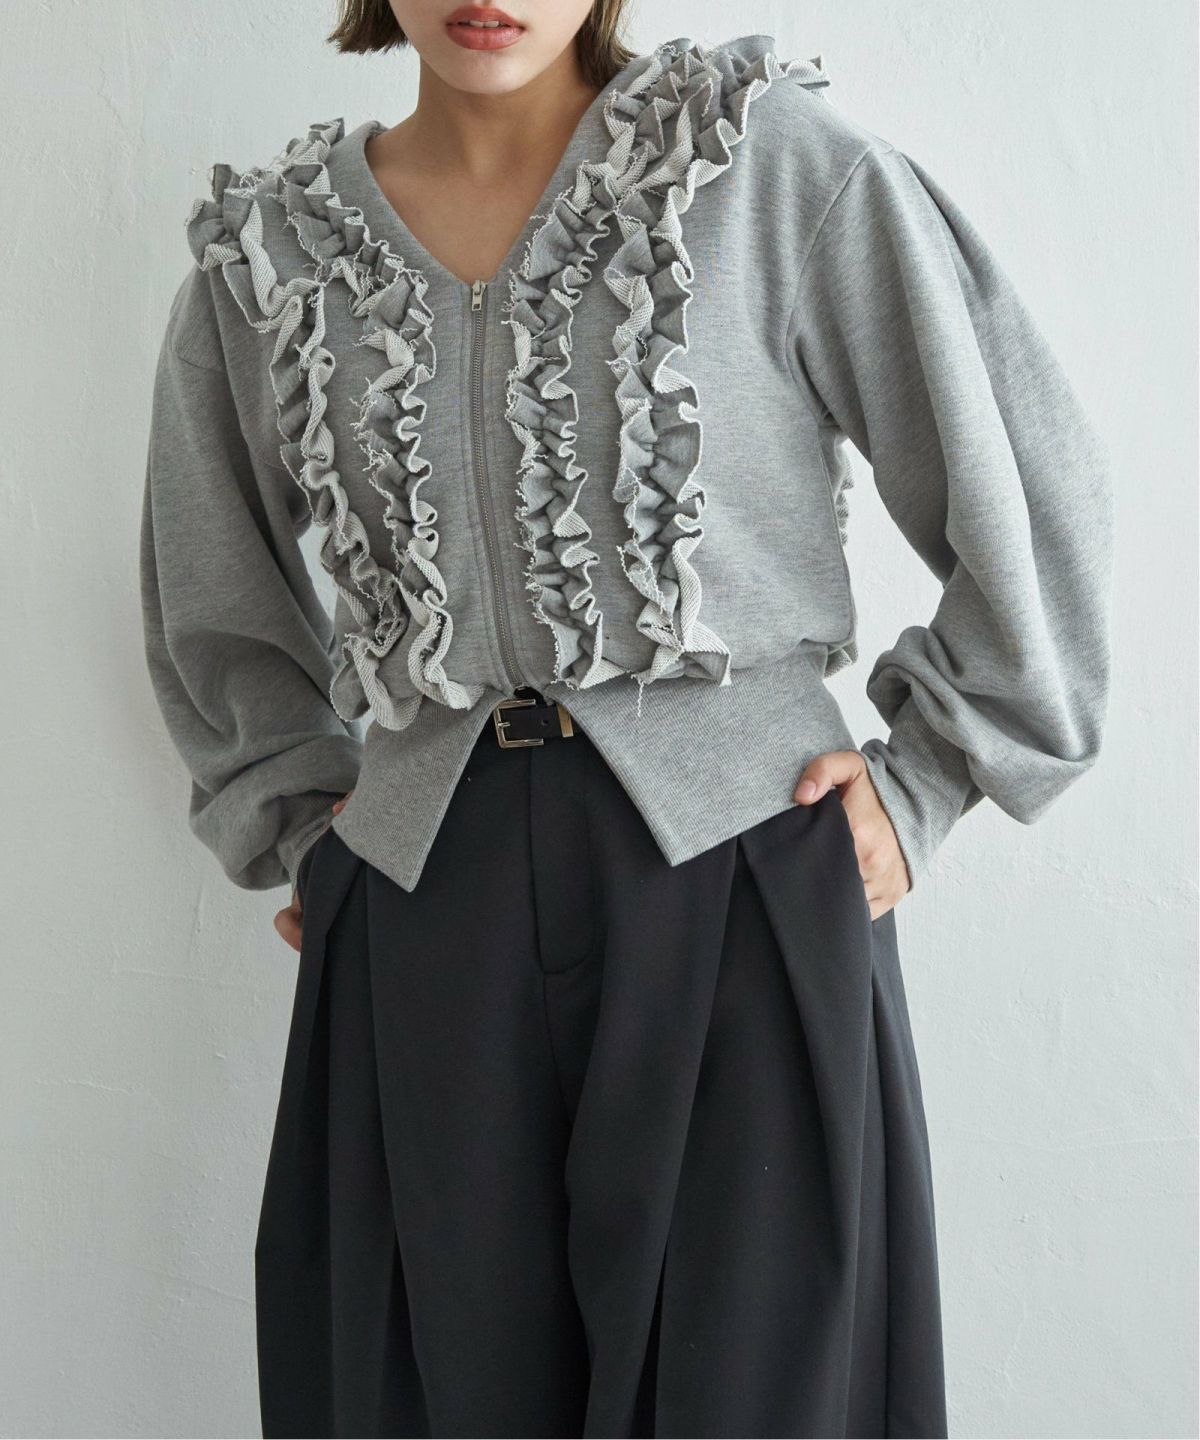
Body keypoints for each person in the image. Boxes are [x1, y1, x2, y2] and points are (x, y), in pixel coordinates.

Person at [138, 2, 1114, 1435]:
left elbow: (1027, 485)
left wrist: (928, 782)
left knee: (758, 1401)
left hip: (743, 869)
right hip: (421, 906)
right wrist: (300, 825)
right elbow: (209, 587)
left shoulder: (759, 167)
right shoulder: (274, 252)